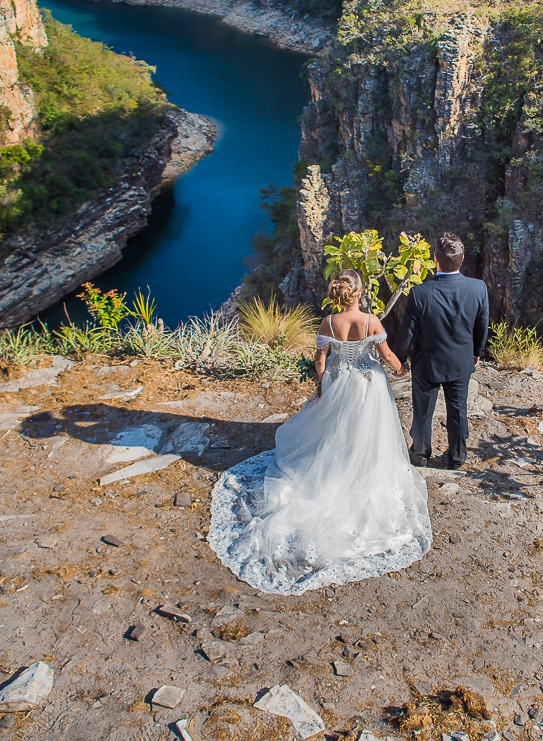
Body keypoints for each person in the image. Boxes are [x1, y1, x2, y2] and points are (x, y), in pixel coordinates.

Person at [208, 270, 432, 595]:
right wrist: (400, 369)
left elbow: (320, 359)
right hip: (369, 385)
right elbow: (386, 357)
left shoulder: (328, 323)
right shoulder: (371, 322)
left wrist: (322, 383)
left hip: (340, 381)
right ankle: (365, 469)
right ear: (358, 293)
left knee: (335, 431)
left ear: (339, 294)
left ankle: (335, 468)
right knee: (368, 432)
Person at [394, 232, 489, 471]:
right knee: (458, 411)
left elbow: (407, 332)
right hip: (460, 362)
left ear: (435, 259)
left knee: (423, 412)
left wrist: (400, 361)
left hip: (427, 364)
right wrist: (476, 352)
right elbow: (482, 325)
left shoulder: (419, 293)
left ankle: (420, 454)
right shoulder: (478, 288)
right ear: (462, 258)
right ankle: (457, 458)